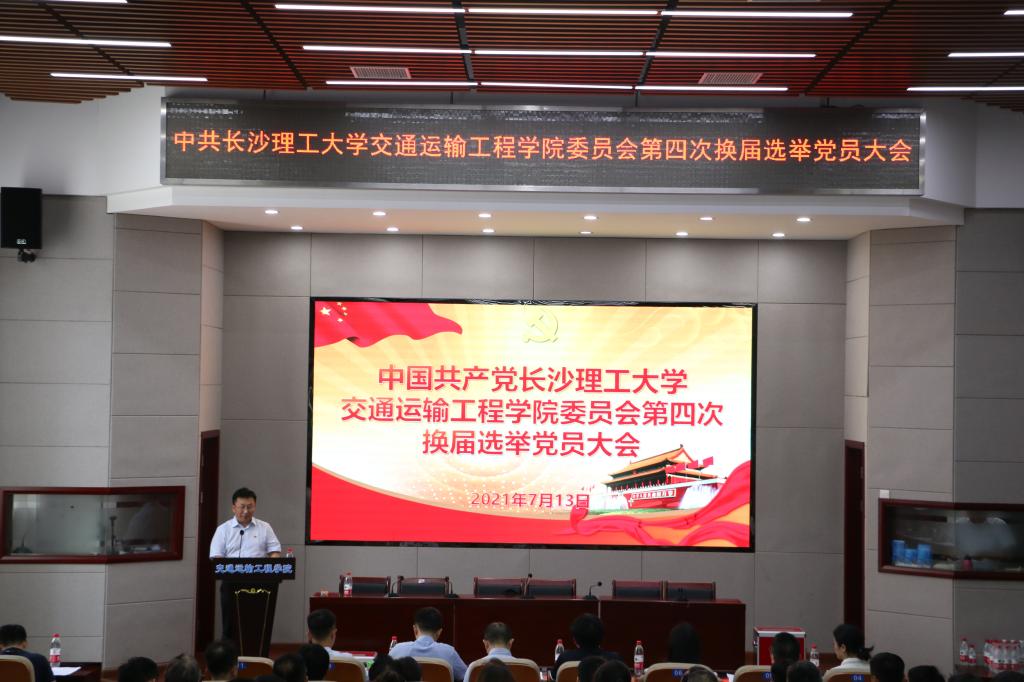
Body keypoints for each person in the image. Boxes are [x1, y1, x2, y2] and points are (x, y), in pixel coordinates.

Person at [209, 487, 282, 638]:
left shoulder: (265, 527)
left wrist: (272, 569)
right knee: (230, 625)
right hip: (231, 583)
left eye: (250, 507)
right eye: (242, 507)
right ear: (233, 508)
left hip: (260, 583)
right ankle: (229, 651)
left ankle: (257, 651)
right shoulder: (223, 530)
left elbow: (275, 551)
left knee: (257, 624)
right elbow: (217, 557)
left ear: (255, 506)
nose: (246, 511)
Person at [389, 607, 468, 681]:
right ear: (439, 632)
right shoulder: (449, 652)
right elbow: (466, 677)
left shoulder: (397, 650)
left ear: (415, 629)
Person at [554, 614, 622, 676]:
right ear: (602, 637)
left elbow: (553, 678)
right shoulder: (615, 660)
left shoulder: (565, 658)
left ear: (574, 640)